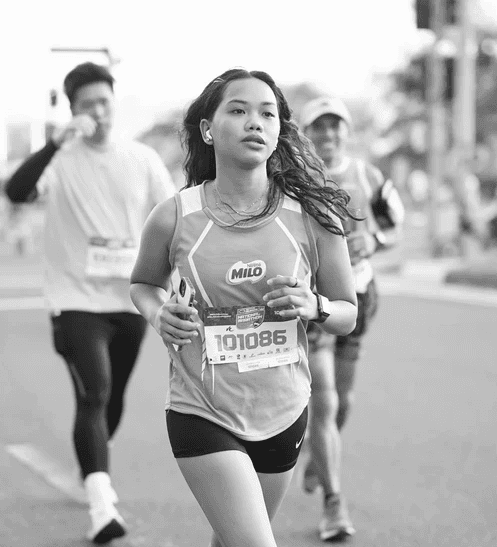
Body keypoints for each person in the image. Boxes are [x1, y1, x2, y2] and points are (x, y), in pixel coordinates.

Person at [130, 69, 359, 547]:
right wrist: (159, 314)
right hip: (203, 410)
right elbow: (143, 285)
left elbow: (347, 313)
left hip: (284, 411)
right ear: (208, 129)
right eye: (239, 110)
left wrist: (314, 305)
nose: (255, 122)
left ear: (278, 133)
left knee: (232, 540)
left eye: (267, 113)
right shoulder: (175, 215)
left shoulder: (313, 217)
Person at [4, 62, 175, 544]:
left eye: (104, 102)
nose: (97, 113)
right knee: (95, 392)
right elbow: (16, 191)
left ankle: (93, 459)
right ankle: (101, 504)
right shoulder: (59, 159)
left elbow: (173, 220)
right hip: (73, 300)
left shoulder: (141, 159)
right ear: (73, 111)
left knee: (112, 398)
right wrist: (55, 142)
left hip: (130, 300)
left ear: (114, 103)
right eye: (86, 106)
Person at [299, 96, 404, 541]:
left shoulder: (368, 175)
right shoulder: (296, 179)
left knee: (344, 402)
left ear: (346, 130)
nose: (328, 135)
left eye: (335, 126)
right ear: (307, 134)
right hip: (316, 303)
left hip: (360, 295)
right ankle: (333, 504)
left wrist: (375, 240)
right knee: (323, 402)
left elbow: (396, 224)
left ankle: (319, 458)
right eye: (319, 127)